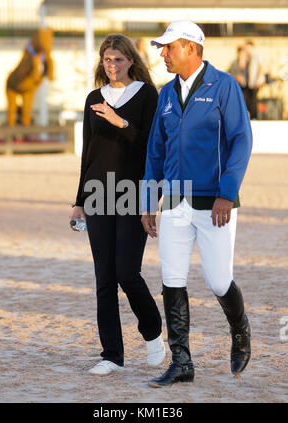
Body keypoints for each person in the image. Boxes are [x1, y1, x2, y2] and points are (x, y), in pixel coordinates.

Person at [141, 20, 252, 388]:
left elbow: (241, 140)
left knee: (218, 280)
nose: (163, 54)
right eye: (162, 48)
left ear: (191, 48)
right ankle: (182, 362)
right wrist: (147, 200)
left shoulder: (224, 87)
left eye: (169, 47)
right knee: (172, 279)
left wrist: (226, 192)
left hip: (215, 202)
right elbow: (156, 150)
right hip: (173, 201)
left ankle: (239, 330)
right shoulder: (166, 93)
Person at [70, 34, 165, 376]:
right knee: (104, 279)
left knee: (127, 272)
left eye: (118, 60)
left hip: (132, 193)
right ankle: (112, 355)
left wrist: (119, 122)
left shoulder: (146, 95)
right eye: (107, 60)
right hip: (97, 194)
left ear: (132, 62)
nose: (112, 66)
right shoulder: (93, 98)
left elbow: (151, 148)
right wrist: (79, 200)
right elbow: (88, 152)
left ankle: (153, 330)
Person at [243, 40, 264, 119]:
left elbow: (261, 67)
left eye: (248, 48)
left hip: (255, 81)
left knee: (254, 100)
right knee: (247, 99)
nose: (247, 50)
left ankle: (254, 116)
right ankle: (248, 116)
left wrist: (258, 79)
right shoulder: (246, 57)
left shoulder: (257, 55)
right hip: (247, 82)